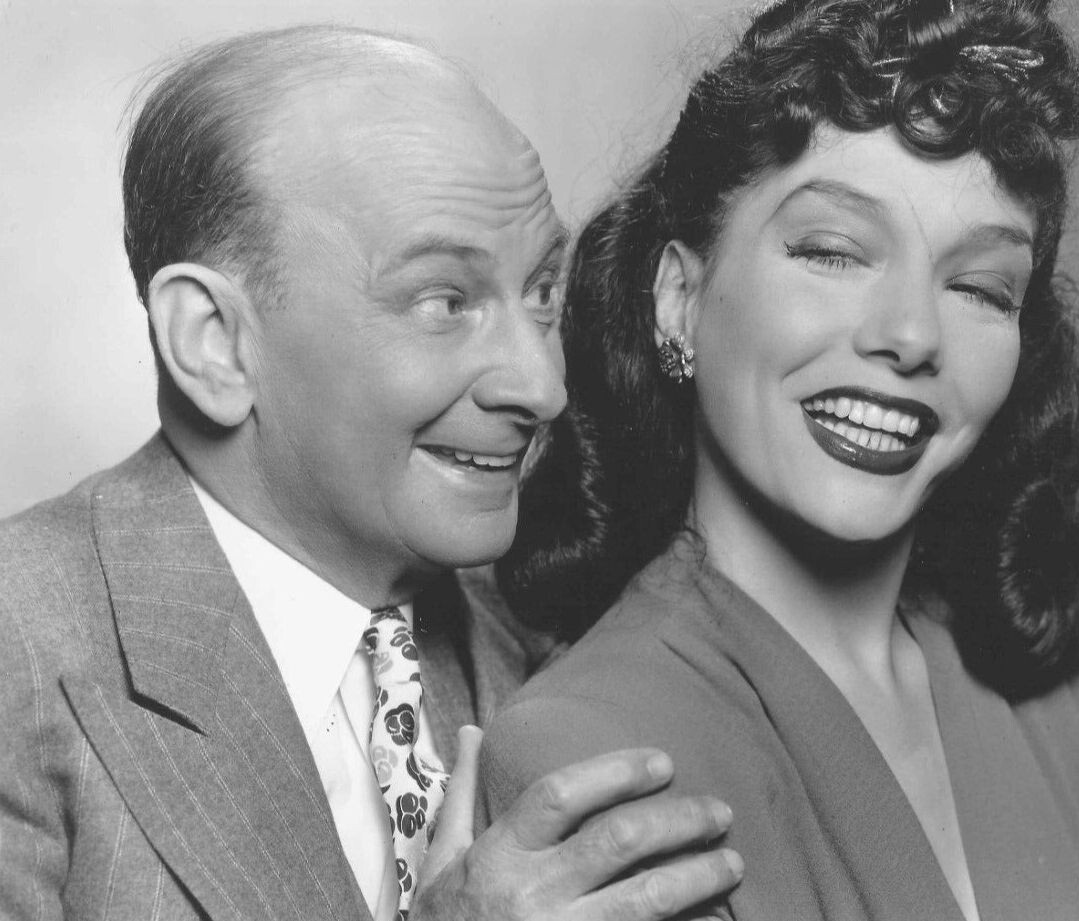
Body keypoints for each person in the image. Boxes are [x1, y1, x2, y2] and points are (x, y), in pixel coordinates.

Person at [0, 26, 745, 921]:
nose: (542, 387)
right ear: (214, 343)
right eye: (445, 301)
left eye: (543, 292)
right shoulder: (22, 647)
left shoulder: (553, 630)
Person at [481, 1, 1079, 918]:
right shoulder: (589, 753)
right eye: (834, 252)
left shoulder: (1077, 701)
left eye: (980, 287)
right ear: (679, 297)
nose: (911, 334)